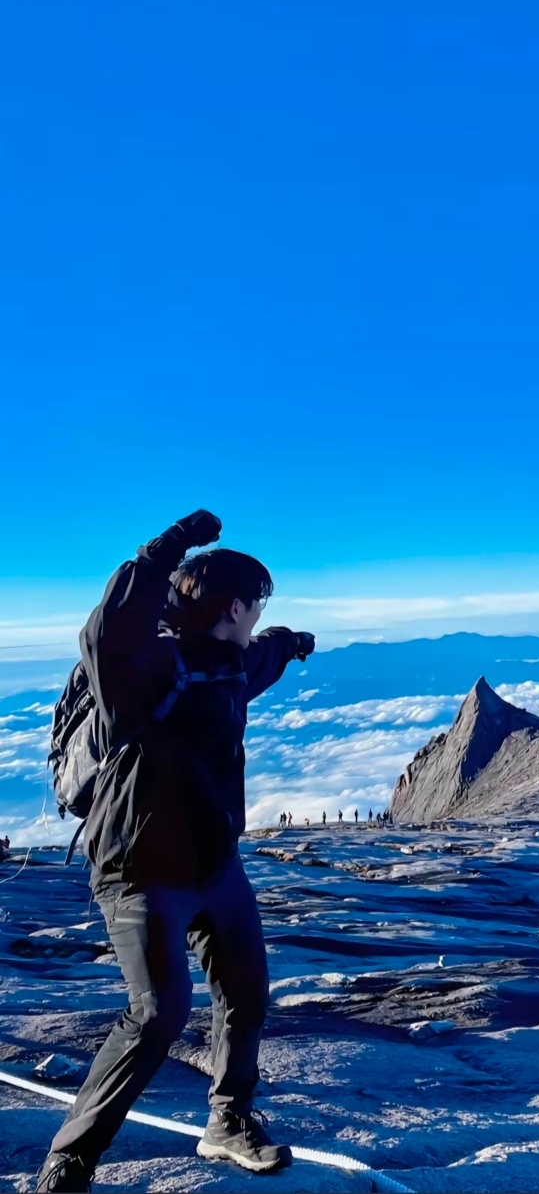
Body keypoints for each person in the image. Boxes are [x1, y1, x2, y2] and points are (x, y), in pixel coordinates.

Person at [35, 511, 315, 1194]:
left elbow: (262, 657)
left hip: (213, 865)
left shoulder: (230, 664)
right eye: (260, 608)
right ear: (236, 605)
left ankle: (229, 1121)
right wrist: (163, 550)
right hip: (137, 870)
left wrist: (294, 643)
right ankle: (69, 1161)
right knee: (159, 1011)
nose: (261, 619)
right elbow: (106, 631)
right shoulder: (141, 672)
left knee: (245, 991)